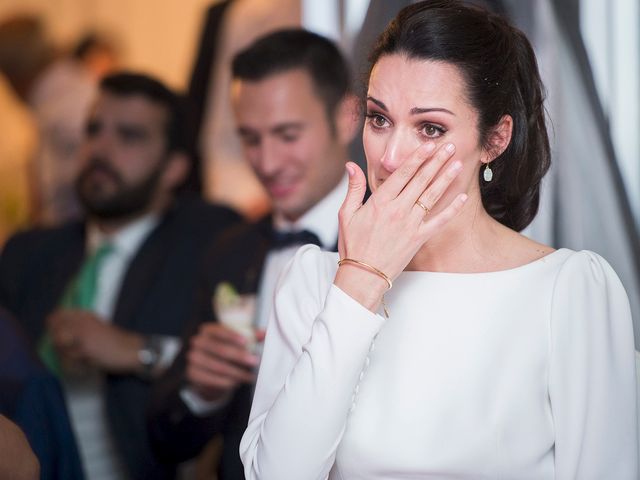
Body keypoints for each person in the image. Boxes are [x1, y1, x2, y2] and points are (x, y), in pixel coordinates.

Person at [239, 2, 639, 479]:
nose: (390, 157)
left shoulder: (569, 292)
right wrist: (359, 284)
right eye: (379, 119)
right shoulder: (313, 279)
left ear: (495, 139)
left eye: (430, 128)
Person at [0, 72, 241, 479]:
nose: (100, 148)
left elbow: (242, 365)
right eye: (94, 129)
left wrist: (136, 351)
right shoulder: (30, 253)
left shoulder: (210, 243)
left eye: (129, 136)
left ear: (174, 169)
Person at [147, 29, 358, 479]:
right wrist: (202, 392)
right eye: (250, 138)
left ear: (345, 117)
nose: (266, 162)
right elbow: (167, 440)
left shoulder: (399, 243)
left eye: (287, 134)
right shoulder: (228, 251)